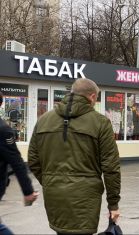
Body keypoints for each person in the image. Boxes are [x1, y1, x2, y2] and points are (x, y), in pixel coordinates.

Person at [28, 78, 121, 235]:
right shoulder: (100, 123)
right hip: (86, 199)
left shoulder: (44, 120)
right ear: (92, 97)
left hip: (54, 195)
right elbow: (111, 167)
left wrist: (51, 181)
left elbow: (33, 160)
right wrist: (113, 204)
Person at [0, 92, 38, 235]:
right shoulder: (4, 129)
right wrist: (28, 191)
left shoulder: (3, 129)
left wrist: (28, 190)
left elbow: (16, 161)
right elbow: (16, 161)